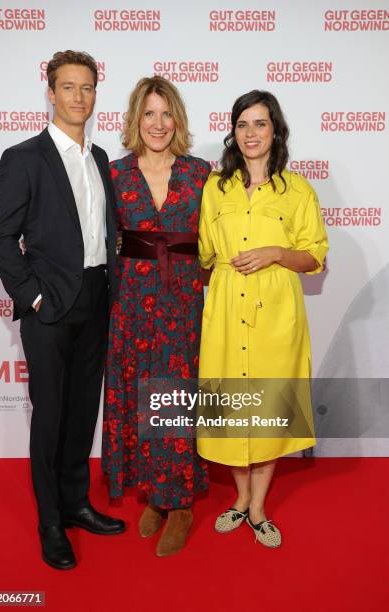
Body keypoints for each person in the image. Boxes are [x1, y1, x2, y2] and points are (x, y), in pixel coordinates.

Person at [0, 50, 125, 570]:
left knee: (82, 411)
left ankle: (75, 503)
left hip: (96, 300)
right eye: (68, 87)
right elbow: (1, 237)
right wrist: (33, 296)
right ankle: (50, 521)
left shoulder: (101, 158)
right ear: (50, 92)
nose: (78, 97)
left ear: (95, 94)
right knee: (49, 417)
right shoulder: (23, 157)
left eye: (87, 88)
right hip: (49, 306)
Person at [197, 90, 328, 547]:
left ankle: (258, 507)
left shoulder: (298, 191)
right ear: (232, 132)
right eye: (242, 125)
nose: (251, 133)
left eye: (260, 124)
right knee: (232, 406)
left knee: (270, 409)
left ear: (276, 131)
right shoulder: (215, 188)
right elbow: (204, 252)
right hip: (229, 306)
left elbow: (314, 257)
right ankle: (238, 498)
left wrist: (275, 252)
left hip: (276, 311)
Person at [102, 76, 210, 557]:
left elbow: (220, 237)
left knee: (174, 392)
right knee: (139, 393)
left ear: (178, 120)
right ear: (135, 119)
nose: (158, 123)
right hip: (132, 297)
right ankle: (154, 493)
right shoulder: (115, 174)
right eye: (149, 113)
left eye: (167, 114)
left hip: (183, 300)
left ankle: (179, 502)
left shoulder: (202, 172)